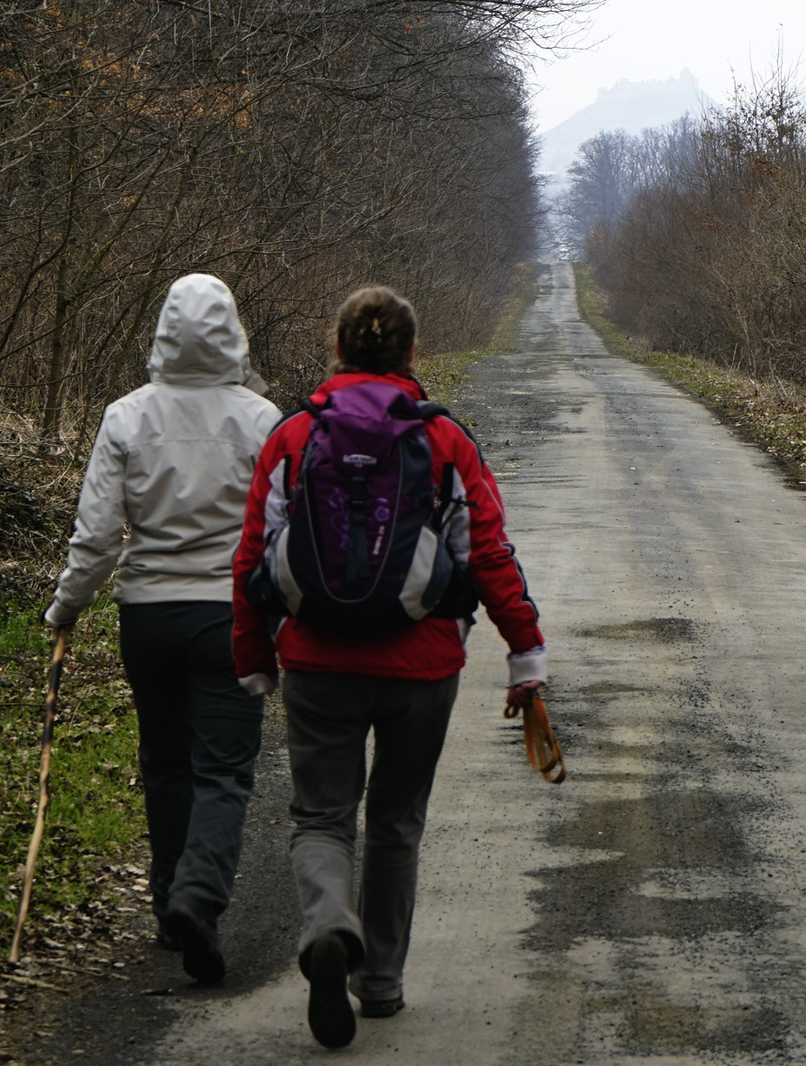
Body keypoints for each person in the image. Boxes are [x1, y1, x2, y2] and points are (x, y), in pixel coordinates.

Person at [231, 286, 546, 1049]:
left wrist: (253, 655)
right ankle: (380, 985)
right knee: (397, 824)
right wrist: (524, 654)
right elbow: (489, 553)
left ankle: (328, 925)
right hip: (424, 663)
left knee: (322, 816)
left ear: (338, 350)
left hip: (316, 660)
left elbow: (252, 555)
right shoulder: (445, 441)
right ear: (412, 353)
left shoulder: (295, 435)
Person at [45, 273, 281, 984]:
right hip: (230, 618)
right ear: (233, 329)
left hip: (147, 616)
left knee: (166, 761)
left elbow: (96, 538)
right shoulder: (261, 419)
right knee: (224, 770)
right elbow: (279, 533)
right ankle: (197, 900)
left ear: (163, 331)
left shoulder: (126, 417)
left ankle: (170, 900)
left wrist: (65, 607)